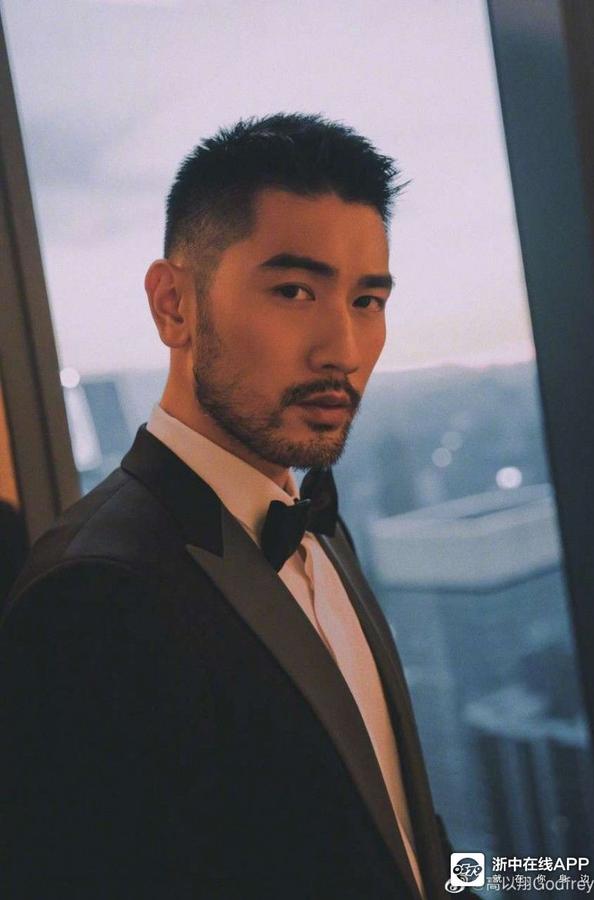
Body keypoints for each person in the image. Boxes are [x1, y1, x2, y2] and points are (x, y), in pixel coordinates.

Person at [0, 113, 465, 900]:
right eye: (294, 291)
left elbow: (407, 838)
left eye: (366, 300)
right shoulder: (92, 593)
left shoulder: (319, 528)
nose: (344, 350)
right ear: (173, 305)